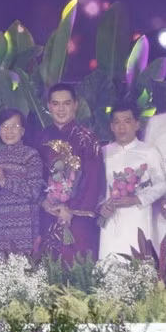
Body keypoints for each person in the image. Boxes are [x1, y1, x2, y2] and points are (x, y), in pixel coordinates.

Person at [36, 83, 104, 264]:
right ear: (49, 106)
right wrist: (43, 202)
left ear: (76, 105)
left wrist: (70, 208)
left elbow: (92, 179)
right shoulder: (41, 138)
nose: (61, 109)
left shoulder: (87, 138)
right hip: (48, 213)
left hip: (77, 218)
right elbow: (35, 175)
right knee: (48, 266)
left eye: (66, 103)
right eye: (55, 104)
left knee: (77, 268)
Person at [98, 102, 166, 260]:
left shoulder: (148, 151)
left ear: (137, 124)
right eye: (117, 122)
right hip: (111, 219)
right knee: (110, 260)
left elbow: (161, 184)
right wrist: (101, 206)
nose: (122, 127)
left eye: (127, 121)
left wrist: (137, 199)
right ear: (111, 126)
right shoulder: (103, 153)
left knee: (138, 262)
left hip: (138, 216)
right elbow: (96, 187)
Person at [0, 109, 44, 253]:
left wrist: (4, 181)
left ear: (23, 131)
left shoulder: (31, 155)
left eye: (15, 126)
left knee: (23, 269)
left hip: (23, 225)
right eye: (4, 126)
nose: (9, 131)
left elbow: (34, 192)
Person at [144, 80, 166, 260]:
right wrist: (161, 199)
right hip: (163, 205)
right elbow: (146, 164)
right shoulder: (157, 123)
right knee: (165, 257)